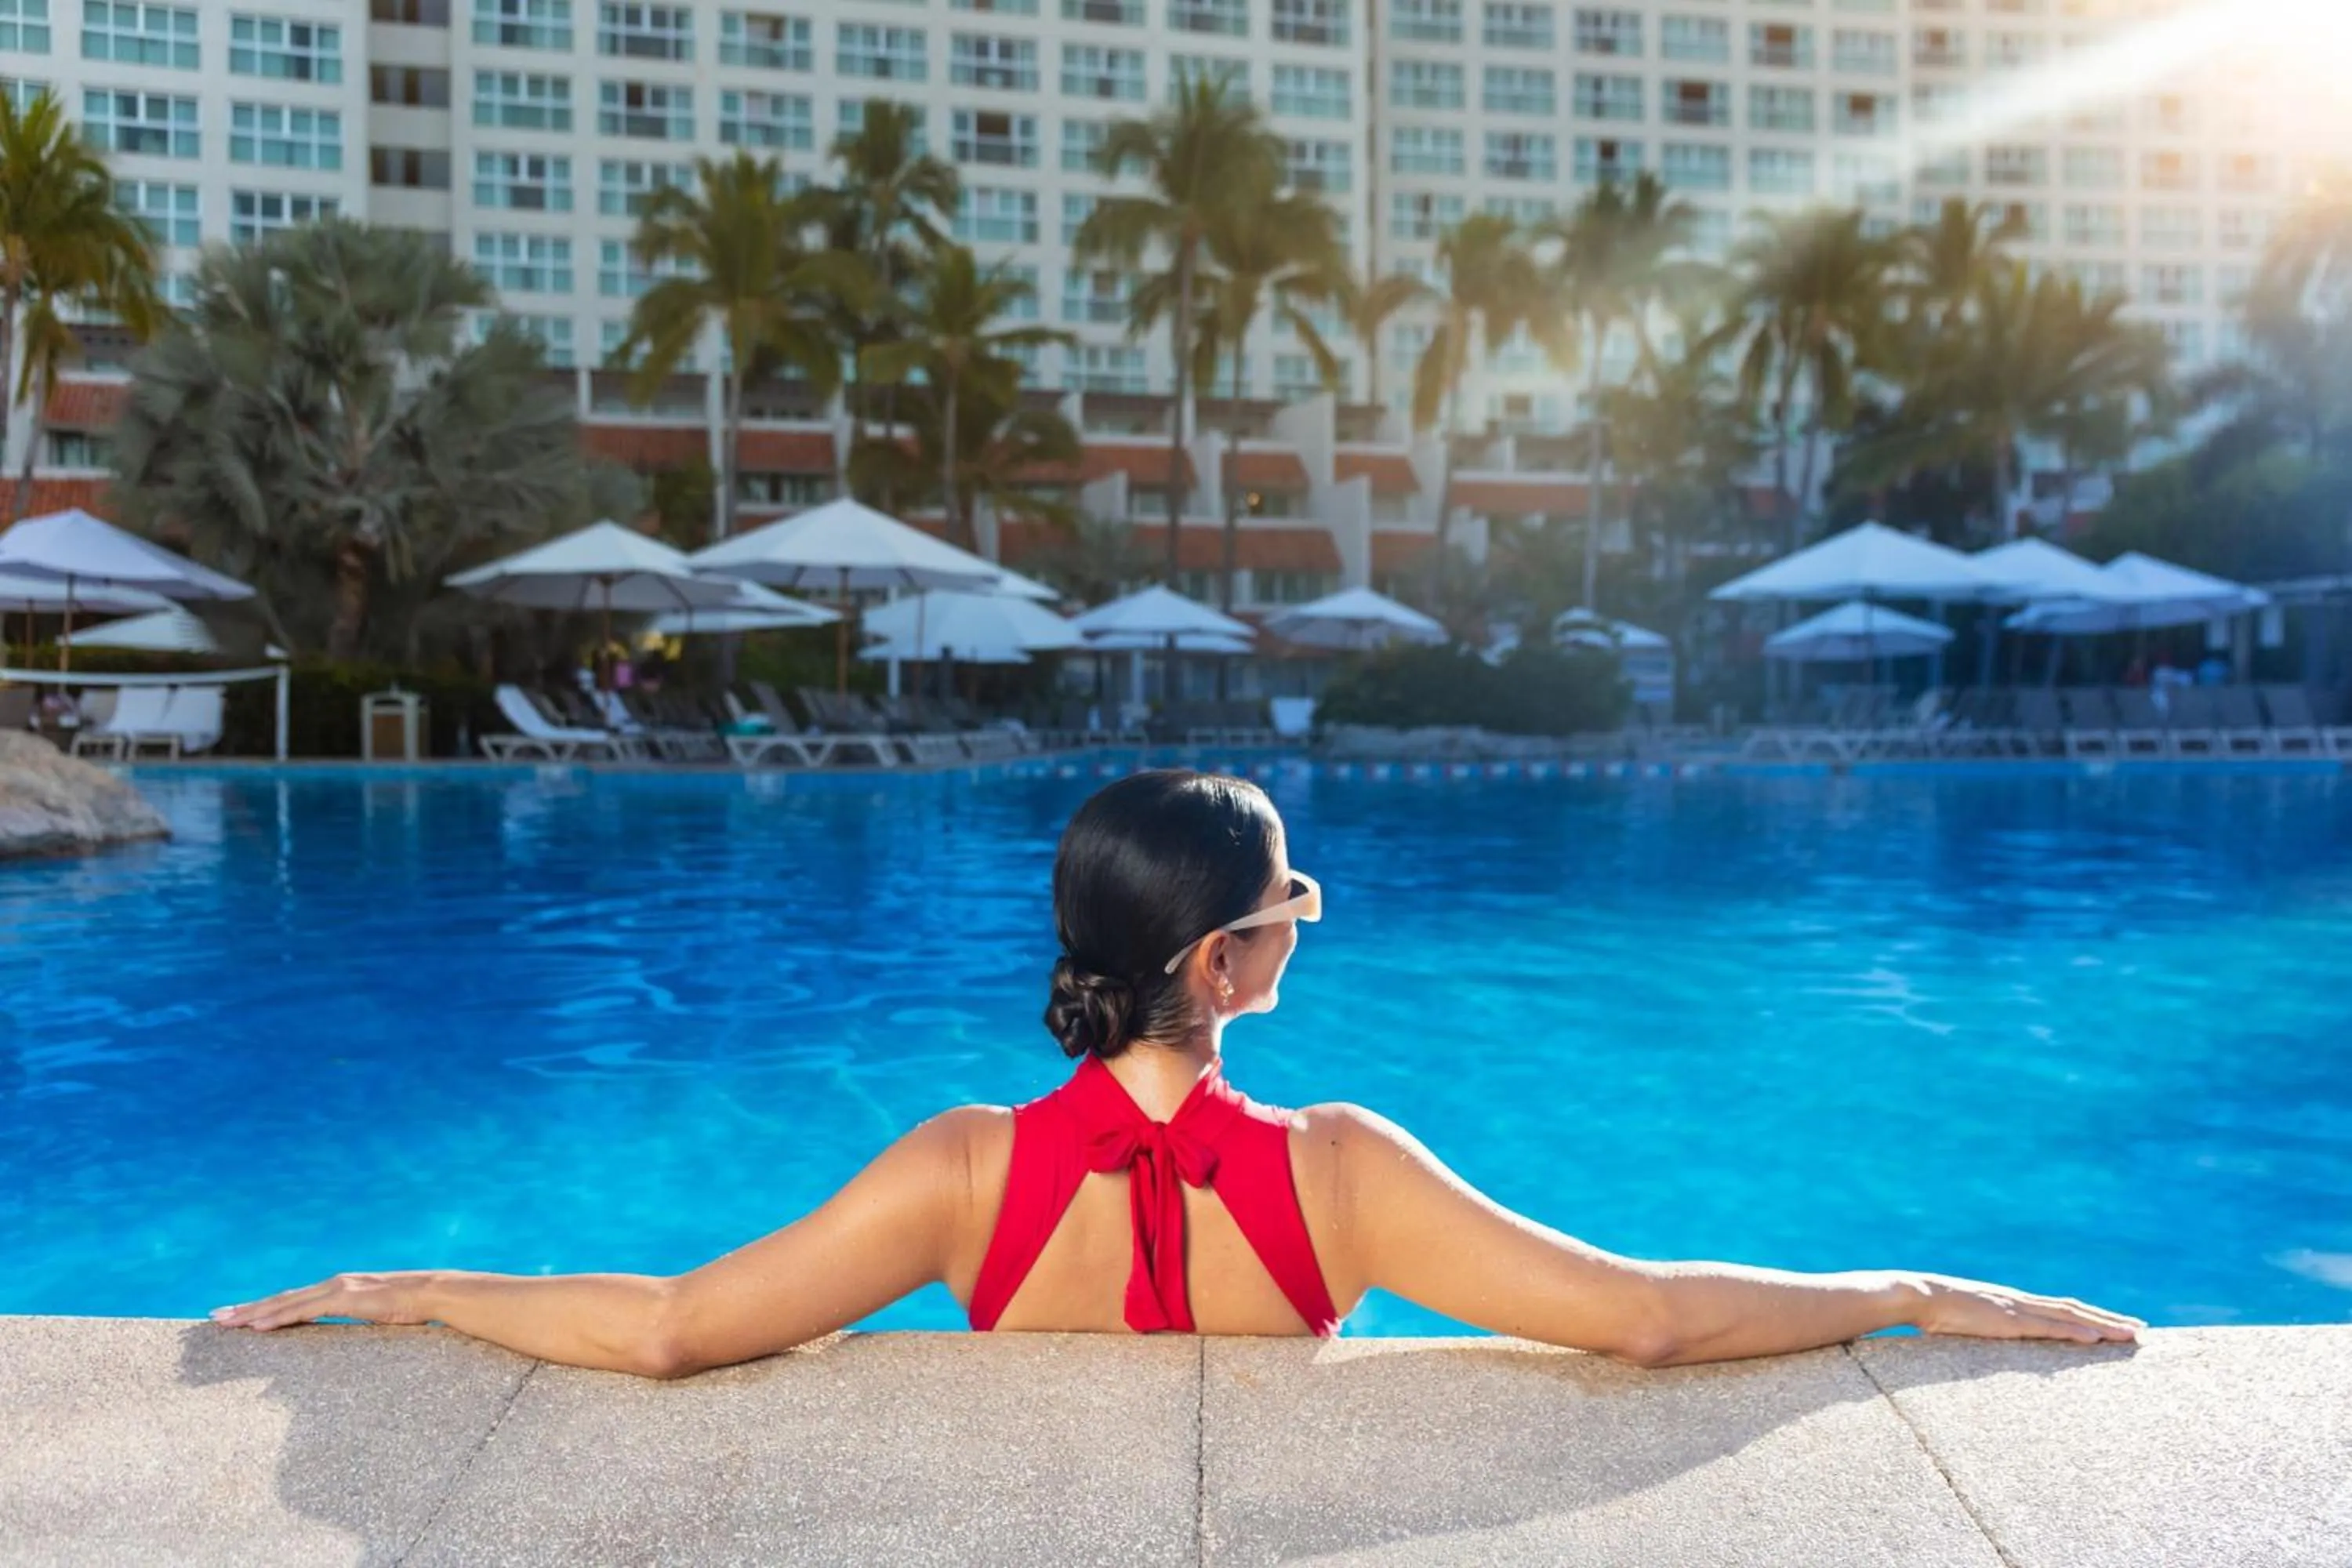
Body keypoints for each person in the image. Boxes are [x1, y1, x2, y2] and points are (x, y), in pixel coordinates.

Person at [209, 771, 2141, 1377]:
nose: (1305, 920)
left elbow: (670, 1329)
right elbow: (1638, 1317)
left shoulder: (964, 1170)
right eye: (1289, 900)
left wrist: (425, 1286)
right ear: (1220, 963)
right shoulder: (1341, 1173)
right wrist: (1903, 1288)